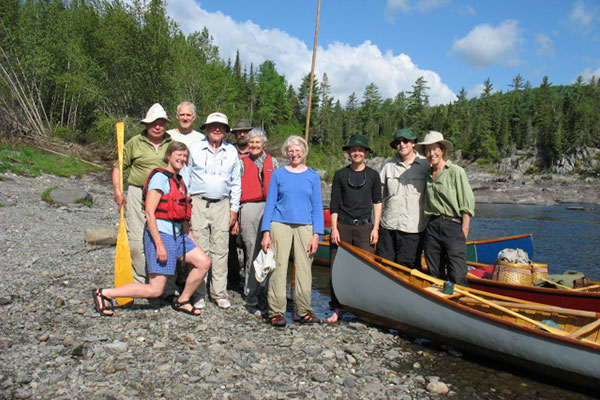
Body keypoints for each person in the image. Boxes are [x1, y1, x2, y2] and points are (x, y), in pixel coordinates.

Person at [93, 142, 211, 316]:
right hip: (161, 234)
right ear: (169, 156)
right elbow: (150, 212)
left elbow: (183, 215)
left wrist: (191, 239)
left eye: (185, 156)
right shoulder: (159, 177)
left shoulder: (179, 180)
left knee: (204, 262)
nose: (181, 158)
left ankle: (183, 300)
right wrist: (159, 244)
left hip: (178, 234)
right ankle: (104, 293)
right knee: (155, 289)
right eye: (178, 155)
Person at [261, 135, 324, 327]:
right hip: (279, 223)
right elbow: (270, 203)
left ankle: (304, 310)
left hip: (305, 226)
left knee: (304, 268)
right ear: (286, 153)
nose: (294, 154)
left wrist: (316, 234)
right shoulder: (279, 175)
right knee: (278, 268)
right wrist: (266, 231)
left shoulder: (312, 176)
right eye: (290, 151)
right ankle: (277, 312)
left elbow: (317, 206)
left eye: (298, 151)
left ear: (304, 152)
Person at [183, 112, 241, 309]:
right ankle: (198, 294)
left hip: (222, 204)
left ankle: (219, 293)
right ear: (206, 128)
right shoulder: (194, 148)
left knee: (221, 250)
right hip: (198, 203)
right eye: (213, 125)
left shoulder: (231, 151)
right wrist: (186, 206)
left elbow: (236, 182)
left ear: (225, 131)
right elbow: (185, 177)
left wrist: (234, 209)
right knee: (200, 249)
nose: (217, 129)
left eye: (221, 126)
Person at [111, 103, 173, 285]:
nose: (158, 126)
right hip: (138, 193)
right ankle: (139, 281)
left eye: (161, 122)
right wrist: (118, 191)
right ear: (147, 124)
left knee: (163, 239)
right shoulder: (134, 143)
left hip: (164, 197)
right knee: (137, 241)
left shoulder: (171, 143)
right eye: (154, 122)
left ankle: (163, 283)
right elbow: (118, 167)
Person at [327, 134, 382, 323]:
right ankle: (336, 308)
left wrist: (376, 228)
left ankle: (366, 308)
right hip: (343, 226)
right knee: (336, 267)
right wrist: (334, 228)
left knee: (367, 268)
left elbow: (377, 202)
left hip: (365, 227)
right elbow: (334, 204)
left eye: (360, 150)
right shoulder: (340, 174)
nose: (357, 153)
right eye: (353, 150)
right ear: (349, 153)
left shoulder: (374, 175)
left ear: (366, 153)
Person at [415, 131, 475, 286]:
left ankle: (461, 303)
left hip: (453, 225)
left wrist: (464, 230)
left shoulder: (456, 171)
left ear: (442, 150)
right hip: (432, 226)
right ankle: (439, 303)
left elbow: (467, 203)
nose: (431, 153)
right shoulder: (428, 174)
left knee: (457, 270)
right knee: (434, 270)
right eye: (428, 150)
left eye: (435, 149)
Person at [165, 101, 205, 297]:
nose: (185, 118)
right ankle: (167, 283)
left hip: (192, 195)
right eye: (182, 115)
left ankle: (186, 281)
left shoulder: (201, 139)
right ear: (177, 116)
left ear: (194, 118)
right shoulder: (169, 136)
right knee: (169, 236)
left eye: (189, 115)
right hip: (170, 193)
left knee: (189, 237)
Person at [377, 129, 430, 270]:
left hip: (413, 229)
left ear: (413, 143)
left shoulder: (426, 166)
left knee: (409, 270)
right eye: (398, 142)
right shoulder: (388, 167)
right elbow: (378, 197)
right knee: (385, 268)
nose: (402, 144)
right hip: (388, 227)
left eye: (405, 141)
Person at [238, 128, 279, 307]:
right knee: (251, 249)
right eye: (251, 142)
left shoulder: (274, 162)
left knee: (272, 248)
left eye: (257, 142)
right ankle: (251, 291)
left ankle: (271, 291)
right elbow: (235, 187)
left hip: (271, 207)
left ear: (264, 144)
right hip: (249, 207)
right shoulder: (241, 163)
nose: (254, 145)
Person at [227, 119, 252, 290]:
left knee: (250, 243)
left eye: (245, 131)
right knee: (229, 243)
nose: (241, 134)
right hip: (229, 202)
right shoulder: (228, 152)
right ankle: (233, 278)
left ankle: (252, 282)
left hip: (251, 204)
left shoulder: (257, 153)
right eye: (238, 132)